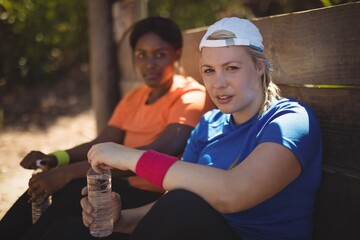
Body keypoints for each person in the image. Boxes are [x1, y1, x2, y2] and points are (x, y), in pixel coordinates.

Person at [74, 17, 322, 240]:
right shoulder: (209, 123)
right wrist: (119, 220)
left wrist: (130, 157)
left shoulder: (289, 120)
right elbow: (169, 203)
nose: (219, 83)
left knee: (182, 203)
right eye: (209, 71)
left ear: (259, 67)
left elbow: (232, 193)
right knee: (69, 221)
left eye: (231, 68)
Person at [0, 16, 213, 240]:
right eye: (141, 55)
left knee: (72, 190)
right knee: (49, 189)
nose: (150, 64)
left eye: (160, 54)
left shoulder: (190, 96)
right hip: (121, 185)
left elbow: (163, 150)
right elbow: (100, 142)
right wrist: (56, 160)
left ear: (177, 53)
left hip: (154, 198)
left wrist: (67, 173)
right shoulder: (135, 97)